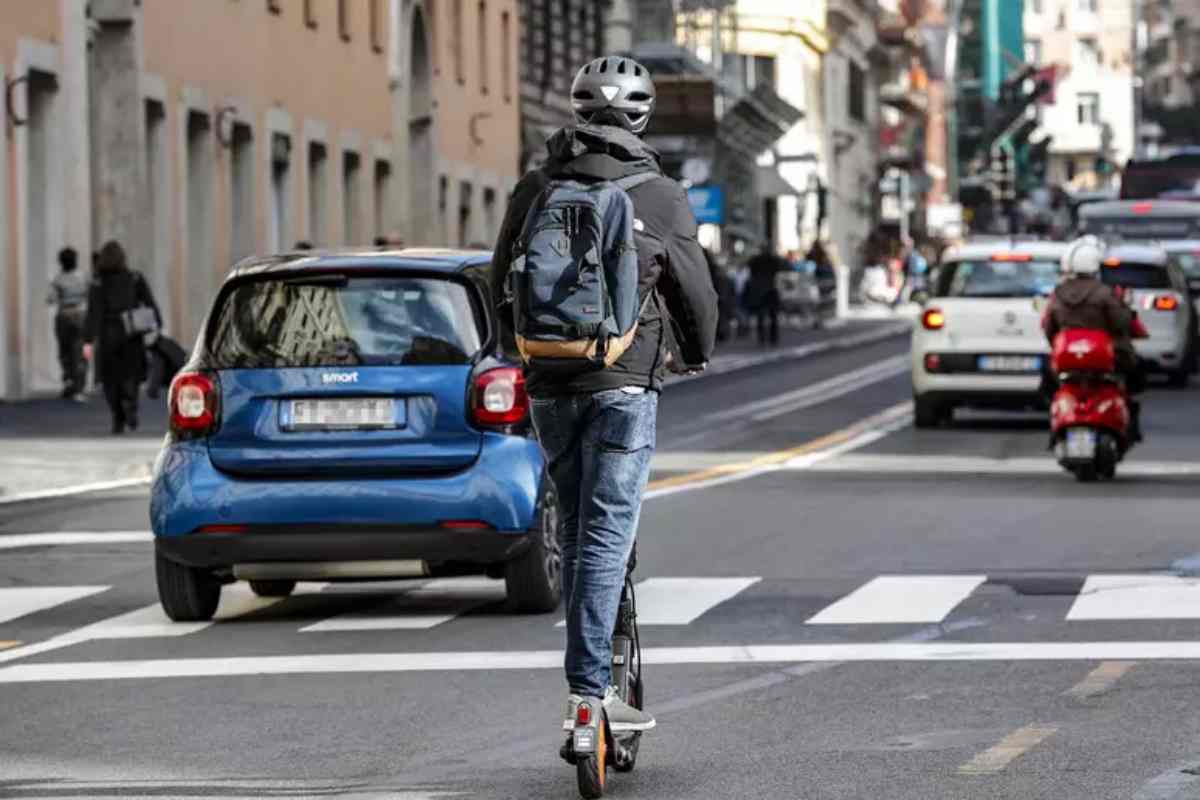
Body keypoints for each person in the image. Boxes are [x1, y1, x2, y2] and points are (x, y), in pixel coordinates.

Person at [491, 56, 717, 736]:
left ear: (577, 112)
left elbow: (499, 276)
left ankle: (599, 665)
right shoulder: (660, 194)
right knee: (605, 537)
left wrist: (523, 351)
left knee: (578, 524)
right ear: (643, 115)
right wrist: (697, 351)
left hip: (548, 384)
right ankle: (589, 693)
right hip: (625, 381)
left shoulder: (535, 186)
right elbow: (695, 292)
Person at [1042, 235, 1143, 439]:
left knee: (1047, 382)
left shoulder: (1059, 293)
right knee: (1135, 374)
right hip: (1105, 355)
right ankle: (1131, 423)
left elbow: (1048, 326)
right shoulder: (1105, 293)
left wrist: (1057, 345)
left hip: (1068, 357)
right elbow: (1120, 323)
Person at [83, 241, 162, 434]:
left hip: (107, 334)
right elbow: (150, 303)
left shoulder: (98, 282)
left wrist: (88, 340)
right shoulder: (135, 278)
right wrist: (157, 324)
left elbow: (94, 313)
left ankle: (117, 415)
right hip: (131, 333)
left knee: (110, 379)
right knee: (131, 376)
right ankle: (131, 406)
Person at [46, 247, 89, 401]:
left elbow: (50, 299)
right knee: (82, 350)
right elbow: (89, 294)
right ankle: (80, 385)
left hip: (64, 315)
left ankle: (68, 379)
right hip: (80, 315)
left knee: (64, 350)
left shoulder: (57, 279)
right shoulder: (83, 277)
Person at [745, 244, 788, 346]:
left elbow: (750, 269)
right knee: (773, 315)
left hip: (759, 289)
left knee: (761, 315)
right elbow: (781, 267)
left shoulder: (756, 260)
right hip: (771, 288)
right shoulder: (773, 260)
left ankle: (762, 338)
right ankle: (773, 338)